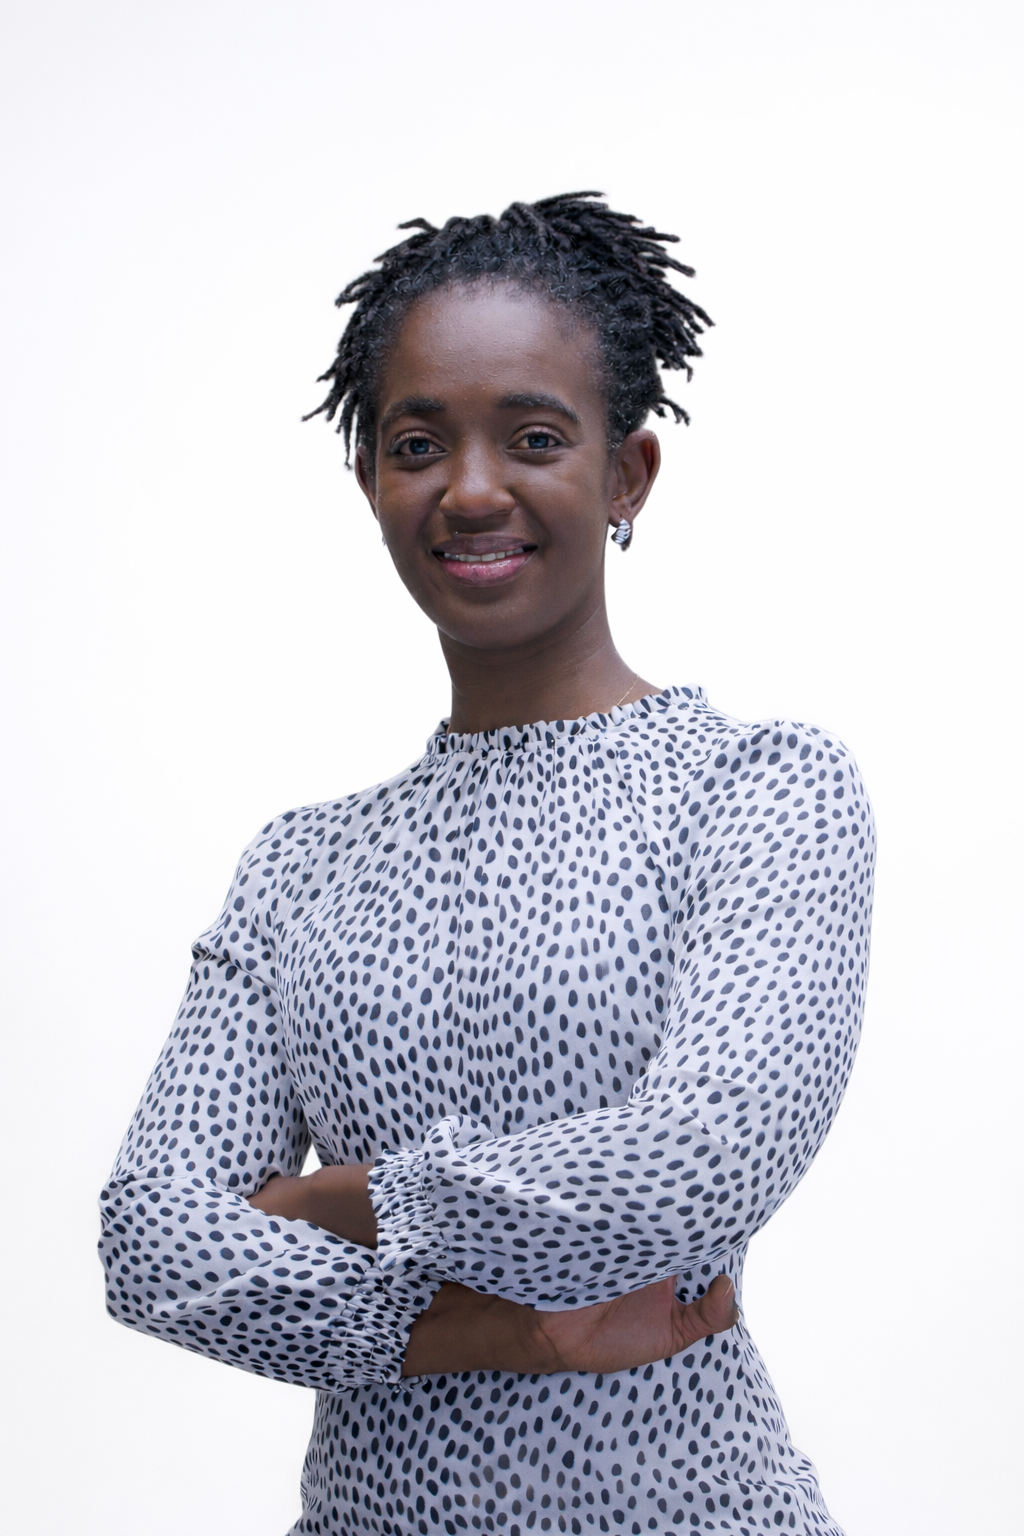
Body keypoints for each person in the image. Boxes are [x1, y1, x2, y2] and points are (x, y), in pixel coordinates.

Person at [98, 192, 875, 1536]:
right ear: (370, 483)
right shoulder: (300, 867)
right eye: (418, 445)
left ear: (627, 475)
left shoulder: (760, 790)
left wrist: (345, 1200)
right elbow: (154, 1246)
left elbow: (691, 1165)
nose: (469, 489)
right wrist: (490, 1331)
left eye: (534, 437)